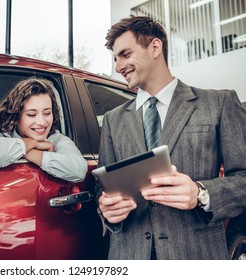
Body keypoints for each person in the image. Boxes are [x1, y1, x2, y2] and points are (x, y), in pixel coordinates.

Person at [96, 15, 246, 259]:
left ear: (155, 47)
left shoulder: (219, 103)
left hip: (195, 255)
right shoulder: (113, 119)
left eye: (125, 54)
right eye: (115, 59)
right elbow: (101, 187)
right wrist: (107, 210)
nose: (118, 66)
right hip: (130, 256)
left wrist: (201, 193)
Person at [0, 77, 87, 183]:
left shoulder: (56, 139)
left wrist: (33, 153)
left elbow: (78, 170)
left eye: (47, 113)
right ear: (16, 117)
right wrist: (33, 144)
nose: (42, 122)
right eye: (32, 114)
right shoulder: (3, 136)